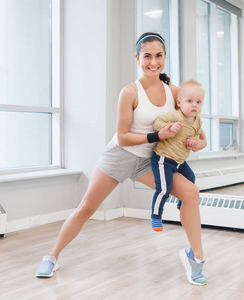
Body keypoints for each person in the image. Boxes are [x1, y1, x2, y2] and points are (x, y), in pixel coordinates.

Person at [35, 32, 208, 286]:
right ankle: (52, 255)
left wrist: (196, 143)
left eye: (158, 56)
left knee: (191, 192)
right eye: (147, 56)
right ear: (137, 58)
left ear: (165, 58)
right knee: (86, 207)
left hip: (150, 160)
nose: (153, 62)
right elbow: (124, 137)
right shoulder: (130, 92)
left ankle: (196, 258)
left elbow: (198, 131)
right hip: (119, 156)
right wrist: (158, 135)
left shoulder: (174, 92)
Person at [150, 80, 205, 232]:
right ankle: (155, 215)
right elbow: (157, 122)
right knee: (163, 189)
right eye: (190, 101)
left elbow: (197, 138)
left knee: (191, 179)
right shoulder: (176, 116)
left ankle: (181, 203)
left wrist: (194, 141)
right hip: (164, 159)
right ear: (179, 103)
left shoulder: (197, 121)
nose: (194, 105)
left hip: (180, 161)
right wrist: (168, 127)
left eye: (198, 102)